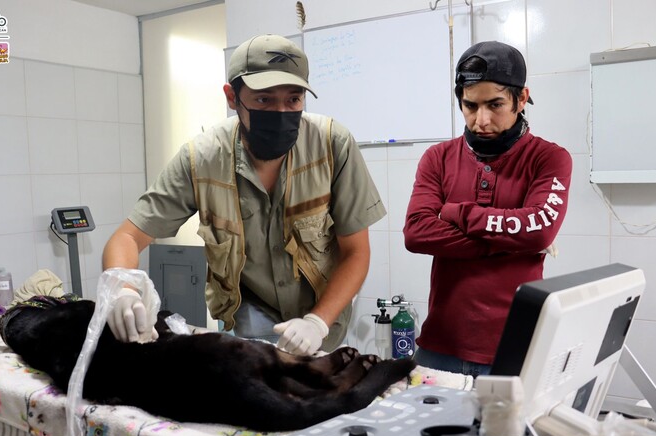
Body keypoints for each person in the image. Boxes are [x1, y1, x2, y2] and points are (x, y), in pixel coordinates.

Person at [102, 34, 386, 355]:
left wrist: (317, 322)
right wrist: (123, 290)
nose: (280, 112)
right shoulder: (203, 159)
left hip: (323, 316)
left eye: (293, 100)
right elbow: (126, 237)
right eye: (264, 100)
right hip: (250, 314)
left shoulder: (333, 146)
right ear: (232, 97)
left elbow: (356, 253)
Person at [403, 41, 572, 377]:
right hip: (439, 345)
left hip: (515, 349)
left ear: (521, 98)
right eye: (470, 105)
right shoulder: (437, 158)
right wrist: (512, 239)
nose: (481, 120)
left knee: (509, 433)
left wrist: (457, 213)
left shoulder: (550, 158)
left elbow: (538, 231)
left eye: (495, 105)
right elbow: (417, 233)